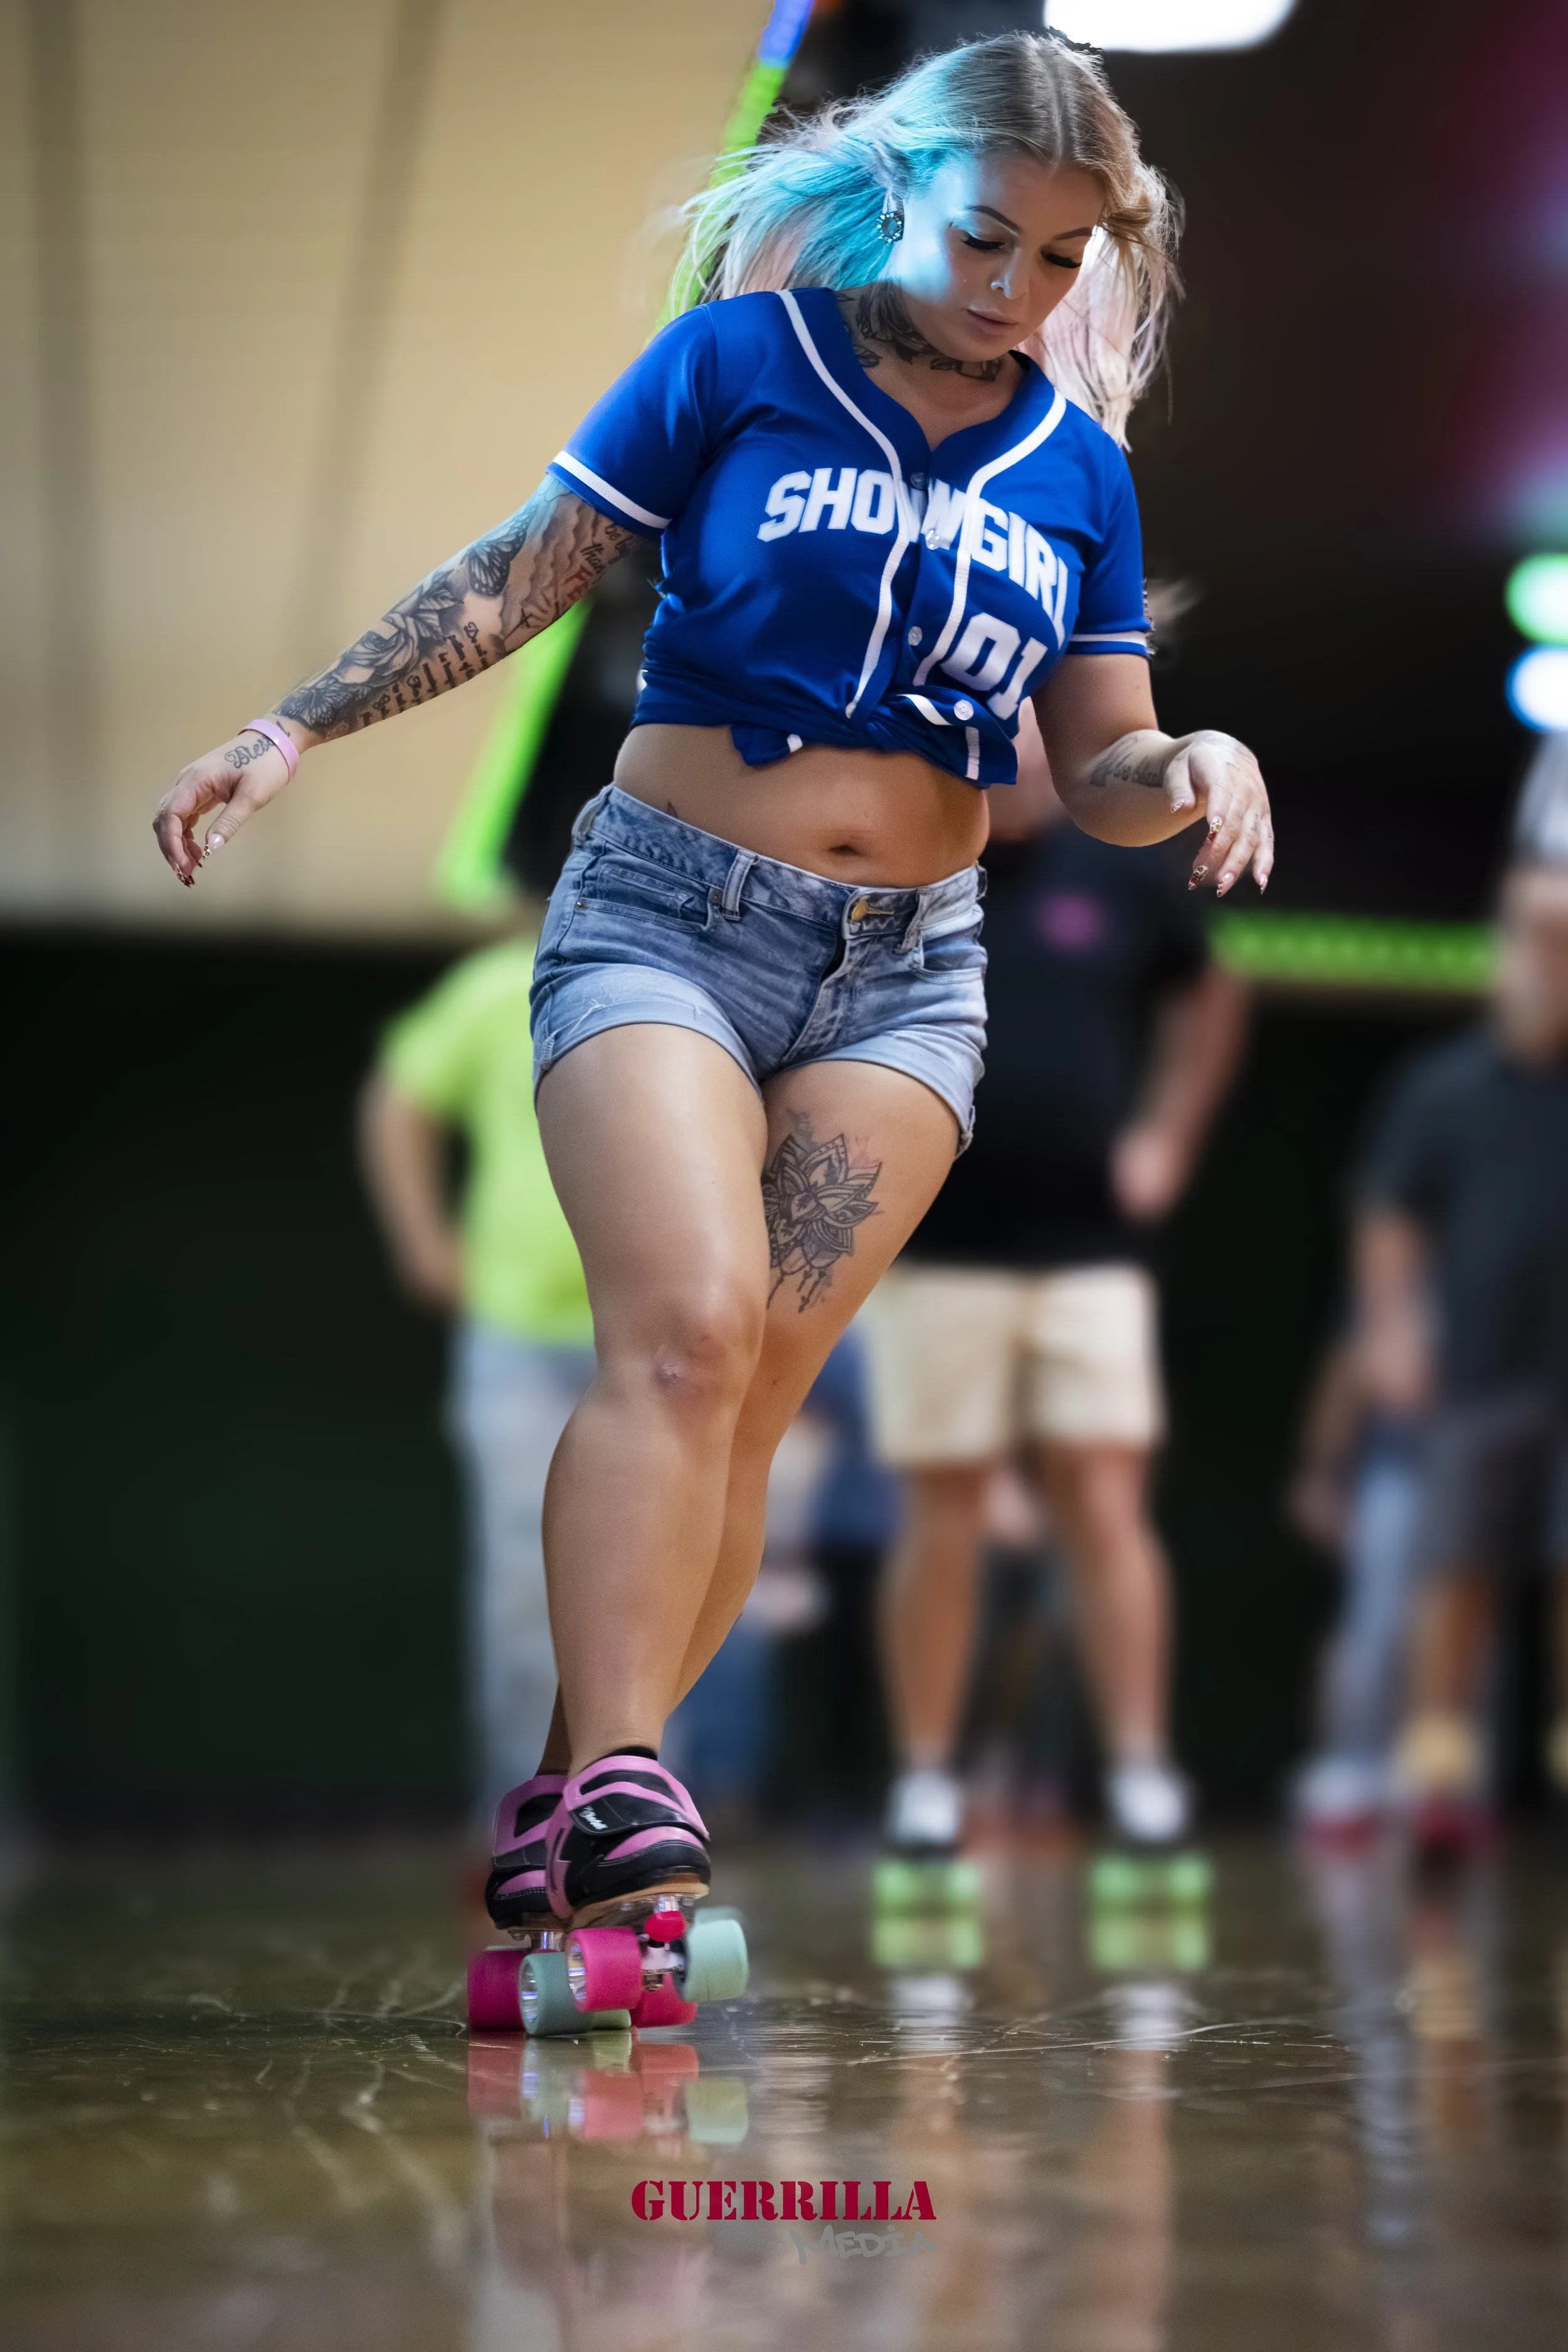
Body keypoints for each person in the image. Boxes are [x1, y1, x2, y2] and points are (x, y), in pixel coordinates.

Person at [152, 31, 1271, 1939]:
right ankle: (612, 1781)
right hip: (668, 912)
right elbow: (520, 573)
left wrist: (1187, 768)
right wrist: (292, 725)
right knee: (677, 1333)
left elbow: (1092, 757)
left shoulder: (1076, 471)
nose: (1015, 290)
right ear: (898, 191)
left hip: (906, 979)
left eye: (1063, 261)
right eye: (984, 237)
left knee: (751, 1394)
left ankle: (593, 1790)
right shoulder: (738, 365)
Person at [862, 705, 1249, 1857]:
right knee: (945, 1510)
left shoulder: (1118, 869)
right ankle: (927, 1778)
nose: (1014, 739)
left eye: (1034, 719)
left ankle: (1139, 1770)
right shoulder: (911, 856)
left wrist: (1167, 1139)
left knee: (1105, 1496)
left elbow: (1212, 995)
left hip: (1089, 1250)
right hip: (935, 1248)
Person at [1355, 859, 1568, 1856]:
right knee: (1456, 1570)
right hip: (1480, 1365)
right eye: (1537, 935)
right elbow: (1390, 1219)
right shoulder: (1443, 1087)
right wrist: (1394, 1329)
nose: (1552, 958)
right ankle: (1439, 1779)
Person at [359, 936, 595, 1821]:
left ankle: (639, 1830)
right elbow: (398, 1097)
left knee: (657, 1589)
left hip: (652, 1338)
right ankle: (521, 1830)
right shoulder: (500, 982)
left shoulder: (688, 967)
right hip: (518, 1336)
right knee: (521, 1589)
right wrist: (422, 1242)